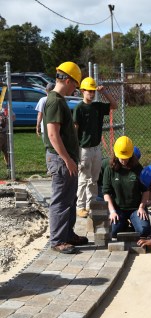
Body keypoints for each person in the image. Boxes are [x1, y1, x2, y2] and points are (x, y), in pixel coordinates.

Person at [43, 61, 88, 254]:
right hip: (60, 159)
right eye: (75, 84)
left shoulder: (59, 100)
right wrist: (67, 159)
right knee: (61, 200)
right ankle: (58, 240)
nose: (76, 88)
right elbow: (53, 134)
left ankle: (68, 234)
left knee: (70, 199)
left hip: (66, 158)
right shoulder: (54, 101)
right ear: (68, 80)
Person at [73, 77, 118, 218]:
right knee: (83, 177)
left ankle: (90, 205)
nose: (91, 94)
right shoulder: (79, 108)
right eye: (88, 91)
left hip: (96, 147)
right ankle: (80, 206)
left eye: (93, 91)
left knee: (94, 178)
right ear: (82, 91)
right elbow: (75, 129)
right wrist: (75, 149)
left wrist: (104, 92)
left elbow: (114, 105)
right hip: (84, 149)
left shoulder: (98, 106)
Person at [103, 136, 151, 239]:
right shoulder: (109, 169)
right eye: (121, 157)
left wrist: (142, 207)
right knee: (112, 232)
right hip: (118, 209)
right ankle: (123, 223)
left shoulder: (138, 168)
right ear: (116, 154)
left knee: (144, 231)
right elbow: (106, 193)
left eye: (126, 157)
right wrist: (112, 211)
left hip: (135, 208)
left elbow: (146, 191)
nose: (124, 160)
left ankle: (134, 222)